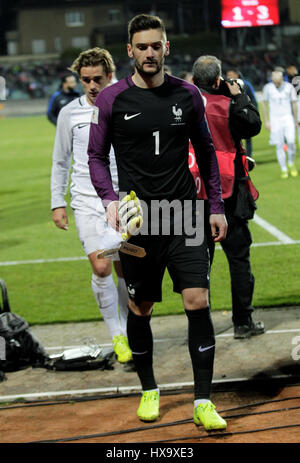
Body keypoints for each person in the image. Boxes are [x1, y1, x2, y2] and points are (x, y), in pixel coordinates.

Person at [88, 14, 228, 431]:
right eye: (142, 46)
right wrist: (109, 200)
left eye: (156, 45)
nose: (150, 53)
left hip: (185, 215)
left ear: (167, 48)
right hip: (138, 223)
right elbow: (95, 157)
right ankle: (149, 389)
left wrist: (215, 205)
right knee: (140, 305)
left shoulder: (187, 95)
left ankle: (203, 400)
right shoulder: (111, 99)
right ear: (129, 51)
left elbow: (206, 151)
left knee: (197, 301)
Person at [50, 48, 132, 364]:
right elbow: (60, 160)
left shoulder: (125, 106)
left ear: (110, 75)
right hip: (86, 201)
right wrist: (58, 203)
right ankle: (117, 335)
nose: (92, 85)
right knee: (101, 266)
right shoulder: (69, 113)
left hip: (122, 200)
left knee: (125, 267)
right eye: (86, 80)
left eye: (97, 79)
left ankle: (128, 330)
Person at [190, 55, 264, 340]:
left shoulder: (184, 105)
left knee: (197, 264)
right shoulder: (230, 103)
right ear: (219, 79)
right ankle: (243, 322)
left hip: (194, 190)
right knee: (239, 258)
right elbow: (253, 125)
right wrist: (240, 94)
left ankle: (199, 326)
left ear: (194, 81)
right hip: (228, 190)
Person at [262, 70, 298, 179]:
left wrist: (295, 120)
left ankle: (291, 162)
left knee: (291, 142)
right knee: (279, 144)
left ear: (282, 79)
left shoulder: (289, 87)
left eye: (278, 81)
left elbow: (294, 103)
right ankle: (284, 168)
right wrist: (266, 120)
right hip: (275, 119)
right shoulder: (268, 88)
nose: (276, 83)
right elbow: (264, 104)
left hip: (287, 117)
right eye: (274, 81)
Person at [226, 68, 258, 158]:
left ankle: (248, 156)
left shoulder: (246, 84)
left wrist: (253, 111)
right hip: (233, 115)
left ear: (237, 75)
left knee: (248, 137)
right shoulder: (226, 85)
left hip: (245, 112)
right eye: (228, 75)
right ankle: (236, 156)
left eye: (231, 74)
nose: (229, 76)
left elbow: (253, 99)